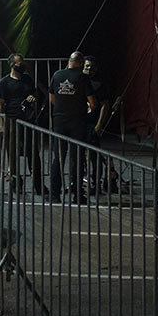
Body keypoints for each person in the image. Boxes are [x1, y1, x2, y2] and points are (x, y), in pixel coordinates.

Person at [48, 51, 95, 203]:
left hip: (59, 120)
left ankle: (54, 193)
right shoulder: (82, 77)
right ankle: (77, 194)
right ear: (81, 63)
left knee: (58, 158)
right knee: (77, 158)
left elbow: (52, 98)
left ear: (69, 61)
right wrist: (87, 108)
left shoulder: (57, 75)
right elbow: (92, 102)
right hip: (77, 121)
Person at [0, 53, 44, 194]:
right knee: (13, 154)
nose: (22, 65)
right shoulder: (4, 82)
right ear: (12, 65)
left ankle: (38, 185)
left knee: (33, 153)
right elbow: (0, 105)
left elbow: (36, 96)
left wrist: (32, 98)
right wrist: (1, 125)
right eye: (19, 63)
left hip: (28, 120)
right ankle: (16, 183)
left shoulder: (27, 79)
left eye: (22, 62)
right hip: (12, 120)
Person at [82, 55, 120, 194]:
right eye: (87, 66)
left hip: (92, 123)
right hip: (78, 123)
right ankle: (79, 183)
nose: (89, 69)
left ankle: (95, 184)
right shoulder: (78, 80)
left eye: (92, 67)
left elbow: (105, 104)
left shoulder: (99, 84)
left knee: (94, 156)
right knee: (78, 156)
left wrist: (99, 125)